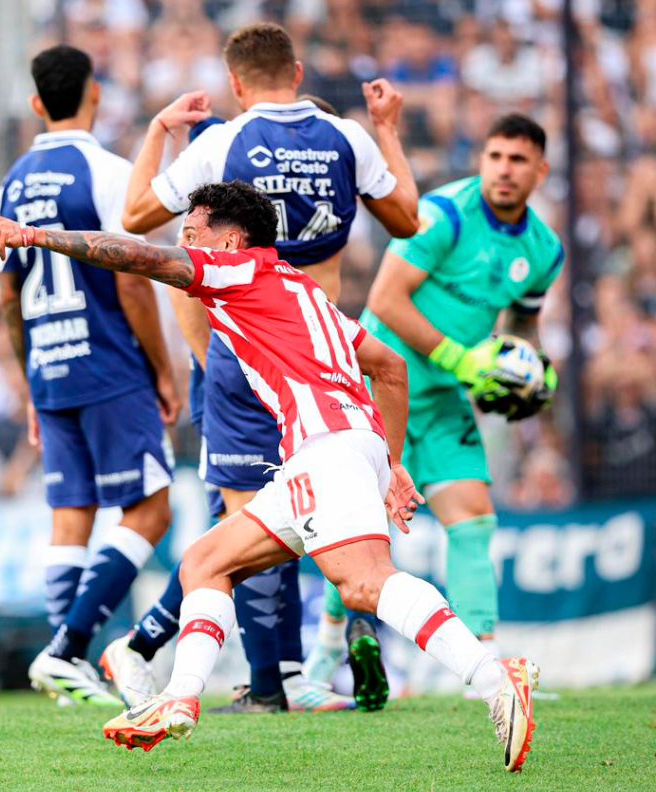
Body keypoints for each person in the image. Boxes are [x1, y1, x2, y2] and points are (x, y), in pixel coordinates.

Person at [0, 180, 541, 773]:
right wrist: (391, 464)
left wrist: (34, 236)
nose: (184, 237)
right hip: (336, 451)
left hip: (328, 449)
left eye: (195, 228)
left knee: (364, 584)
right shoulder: (299, 290)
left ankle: (496, 678)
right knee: (205, 563)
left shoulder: (236, 272)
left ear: (232, 239)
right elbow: (389, 368)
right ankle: (178, 700)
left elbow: (139, 256)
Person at [104, 21, 419, 713]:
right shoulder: (348, 138)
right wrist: (387, 126)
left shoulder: (224, 141)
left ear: (236, 83)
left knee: (247, 518)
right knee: (326, 506)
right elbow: (405, 217)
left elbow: (134, 217)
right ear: (299, 72)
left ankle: (269, 678)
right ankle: (334, 638)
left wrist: (158, 129)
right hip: (326, 351)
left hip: (244, 361)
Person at [307, 114, 563, 695]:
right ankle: (326, 649)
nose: (504, 169)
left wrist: (526, 365)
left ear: (540, 171)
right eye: (495, 156)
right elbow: (385, 300)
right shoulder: (445, 213)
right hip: (382, 381)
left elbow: (523, 319)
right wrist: (463, 360)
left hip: (445, 392)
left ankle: (486, 669)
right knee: (360, 524)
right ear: (483, 160)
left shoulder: (544, 250)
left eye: (518, 160)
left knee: (473, 520)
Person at [0, 44, 177, 706]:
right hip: (107, 363)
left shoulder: (9, 186)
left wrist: (31, 385)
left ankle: (61, 671)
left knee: (70, 517)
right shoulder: (105, 170)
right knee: (151, 510)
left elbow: (8, 298)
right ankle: (67, 649)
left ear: (38, 104)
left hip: (49, 367)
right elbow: (131, 281)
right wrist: (162, 367)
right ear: (94, 93)